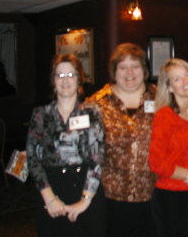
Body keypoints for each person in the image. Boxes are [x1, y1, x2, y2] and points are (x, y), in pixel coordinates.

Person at [26, 53, 106, 237]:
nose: (65, 80)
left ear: (79, 80)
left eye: (71, 74)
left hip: (87, 188)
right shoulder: (40, 115)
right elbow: (33, 159)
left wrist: (84, 201)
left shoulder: (92, 114)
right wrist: (50, 199)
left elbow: (97, 159)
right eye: (60, 75)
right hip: (51, 188)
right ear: (53, 81)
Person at [86, 43, 157, 237]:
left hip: (155, 194)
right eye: (123, 67)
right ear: (114, 71)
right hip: (111, 196)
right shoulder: (96, 104)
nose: (129, 73)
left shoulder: (162, 98)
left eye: (135, 66)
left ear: (144, 69)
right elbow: (78, 144)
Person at [149, 58, 188, 237]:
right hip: (171, 196)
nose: (185, 81)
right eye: (177, 79)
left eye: (187, 75)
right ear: (169, 88)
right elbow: (156, 163)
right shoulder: (164, 116)